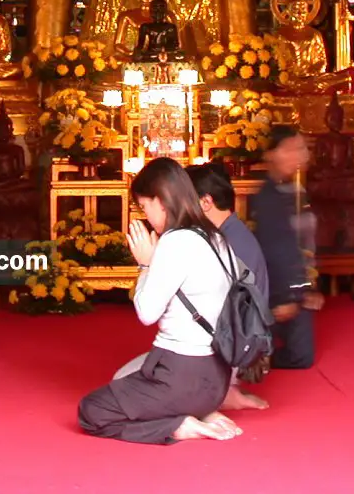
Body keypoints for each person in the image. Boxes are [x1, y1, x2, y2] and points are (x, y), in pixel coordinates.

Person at [78, 157, 241, 444]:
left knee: (92, 409)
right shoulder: (216, 237)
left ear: (161, 201)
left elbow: (146, 313)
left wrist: (145, 265)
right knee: (125, 382)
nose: (146, 215)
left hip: (180, 376)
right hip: (218, 378)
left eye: (144, 206)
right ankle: (201, 412)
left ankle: (178, 427)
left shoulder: (175, 241)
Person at [112, 162, 270, 411]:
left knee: (121, 384)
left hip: (224, 353)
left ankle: (212, 401)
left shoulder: (204, 239)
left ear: (204, 202)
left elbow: (149, 312)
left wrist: (148, 266)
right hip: (226, 348)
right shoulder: (224, 235)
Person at [250, 125, 323, 370]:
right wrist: (288, 296)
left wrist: (309, 286)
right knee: (293, 355)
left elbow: (304, 243)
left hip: (297, 285)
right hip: (276, 289)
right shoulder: (267, 196)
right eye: (292, 149)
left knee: (301, 356)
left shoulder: (296, 190)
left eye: (302, 148)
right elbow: (275, 250)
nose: (301, 155)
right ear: (271, 154)